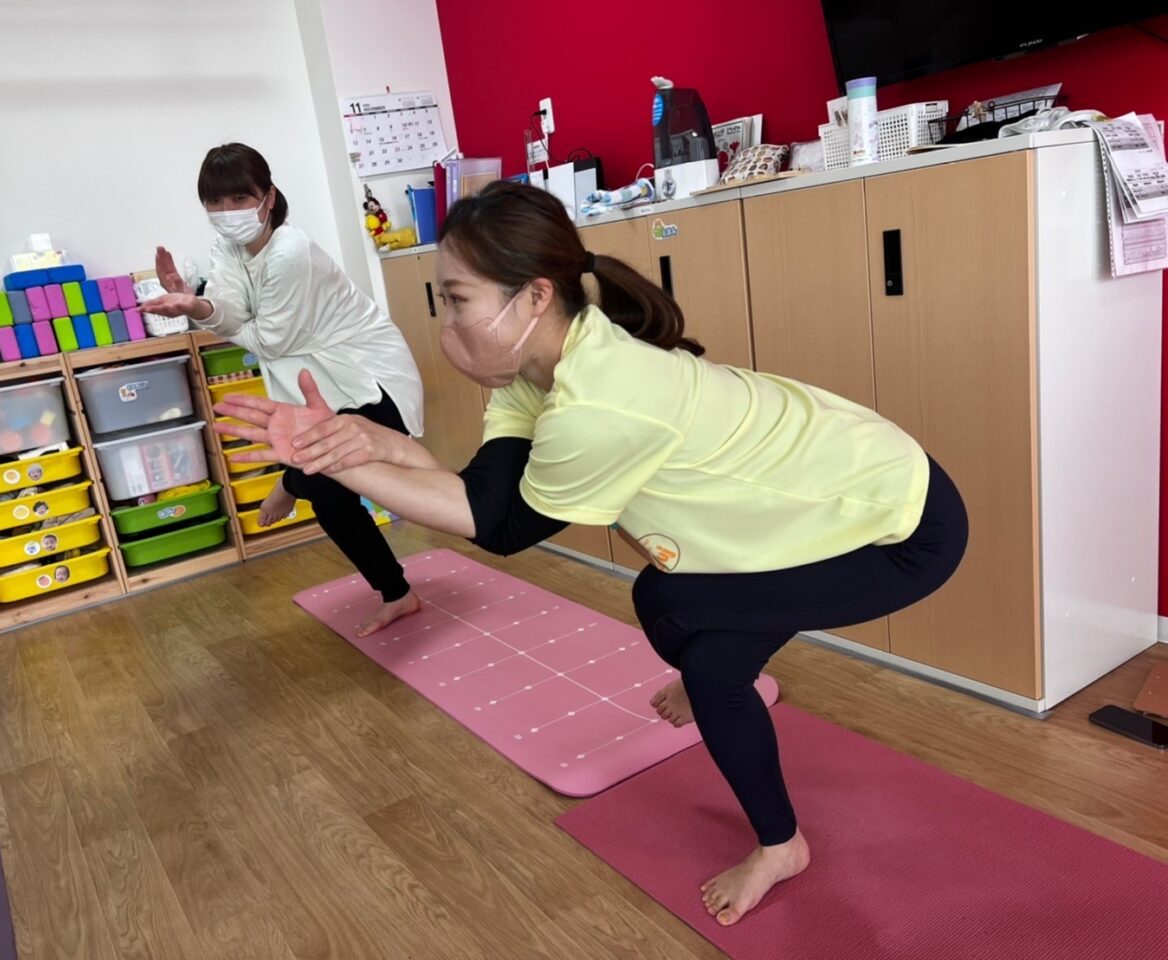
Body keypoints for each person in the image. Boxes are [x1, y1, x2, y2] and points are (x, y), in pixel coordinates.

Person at [213, 182, 968, 924]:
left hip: (897, 528)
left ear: (534, 297)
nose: (446, 321)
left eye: (457, 299)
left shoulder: (599, 401)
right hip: (838, 499)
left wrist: (345, 464)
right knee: (688, 628)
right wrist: (367, 445)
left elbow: (497, 529)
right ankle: (741, 717)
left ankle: (780, 844)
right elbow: (482, 494)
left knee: (684, 628)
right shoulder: (545, 364)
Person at [142, 143, 425, 637]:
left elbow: (268, 339)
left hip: (365, 375)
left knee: (325, 479)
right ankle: (397, 593)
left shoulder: (290, 250)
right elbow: (233, 313)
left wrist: (214, 314)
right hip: (316, 384)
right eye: (215, 202)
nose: (227, 212)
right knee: (331, 497)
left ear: (268, 197)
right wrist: (197, 305)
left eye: (239, 199)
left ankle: (290, 484)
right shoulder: (227, 248)